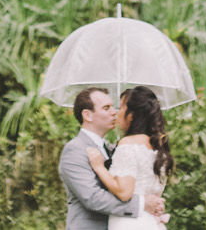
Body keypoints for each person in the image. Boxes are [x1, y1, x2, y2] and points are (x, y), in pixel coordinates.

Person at [59, 88, 166, 230]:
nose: (114, 112)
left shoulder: (115, 148)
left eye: (115, 107)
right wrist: (142, 204)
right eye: (106, 108)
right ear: (87, 115)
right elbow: (93, 198)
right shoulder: (75, 150)